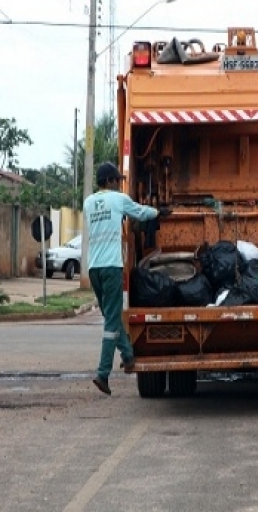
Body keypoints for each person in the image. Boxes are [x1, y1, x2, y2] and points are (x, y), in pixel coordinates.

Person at [84, 161, 161, 396]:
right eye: (117, 180)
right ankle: (103, 373)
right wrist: (159, 212)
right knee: (110, 321)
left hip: (94, 267)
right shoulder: (118, 199)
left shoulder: (88, 203)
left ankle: (128, 357)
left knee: (112, 315)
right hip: (111, 267)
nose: (119, 184)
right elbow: (140, 212)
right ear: (109, 181)